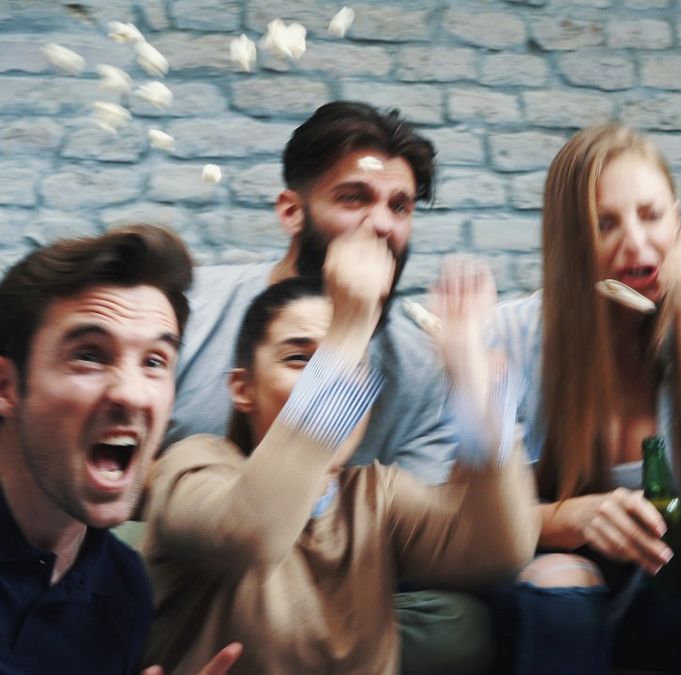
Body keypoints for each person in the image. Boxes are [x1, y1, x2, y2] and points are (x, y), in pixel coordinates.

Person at [163, 101, 492, 674]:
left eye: (400, 206)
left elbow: (424, 531)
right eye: (354, 198)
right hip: (183, 562)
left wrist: (480, 388)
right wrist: (346, 327)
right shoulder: (194, 308)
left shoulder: (414, 364)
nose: (383, 225)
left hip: (327, 583)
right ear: (292, 211)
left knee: (455, 613)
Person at [139, 226, 538, 673]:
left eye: (352, 368)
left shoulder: (375, 497)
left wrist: (476, 396)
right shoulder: (193, 464)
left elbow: (499, 550)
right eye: (300, 358)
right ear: (243, 387)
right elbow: (251, 531)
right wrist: (348, 328)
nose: (342, 381)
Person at [487, 124, 681, 674]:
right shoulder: (512, 334)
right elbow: (468, 523)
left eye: (651, 216)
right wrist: (569, 517)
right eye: (605, 224)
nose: (635, 242)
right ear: (570, 242)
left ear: (677, 219)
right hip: (561, 597)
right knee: (559, 584)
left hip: (678, 591)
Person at [0, 225, 241, 674]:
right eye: (89, 355)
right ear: (7, 386)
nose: (132, 394)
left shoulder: (124, 588)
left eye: (154, 362)